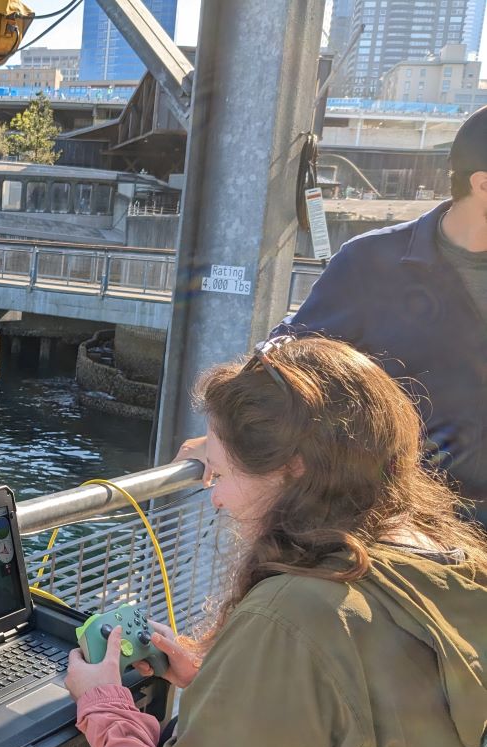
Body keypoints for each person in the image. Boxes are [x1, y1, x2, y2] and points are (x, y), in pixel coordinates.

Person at [67, 336, 487, 747]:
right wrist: (219, 680)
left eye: (218, 474)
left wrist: (107, 711)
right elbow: (364, 727)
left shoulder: (293, 616)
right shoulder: (455, 562)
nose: (215, 499)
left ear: (292, 470)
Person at [177, 105, 487, 525]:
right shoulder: (374, 262)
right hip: (409, 526)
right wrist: (223, 433)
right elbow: (284, 358)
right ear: (482, 184)